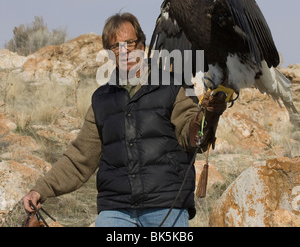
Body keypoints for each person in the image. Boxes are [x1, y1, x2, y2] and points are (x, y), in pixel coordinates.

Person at [23, 12, 227, 227]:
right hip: (116, 210)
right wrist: (40, 190)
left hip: (166, 204)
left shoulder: (173, 86)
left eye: (130, 43)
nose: (125, 51)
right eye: (115, 47)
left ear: (142, 46)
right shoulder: (101, 100)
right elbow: (80, 157)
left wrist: (207, 115)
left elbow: (193, 137)